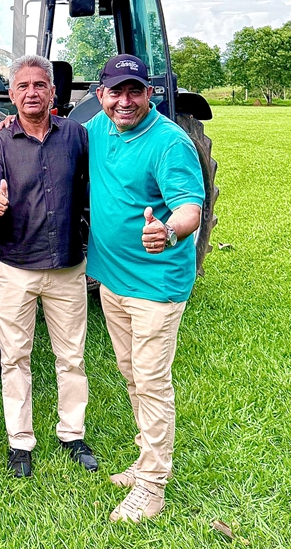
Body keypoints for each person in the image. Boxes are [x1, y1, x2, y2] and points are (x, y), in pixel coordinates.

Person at [87, 54, 204, 522]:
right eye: (116, 91)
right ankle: (144, 460)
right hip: (112, 281)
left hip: (156, 285)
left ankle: (152, 486)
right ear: (101, 96)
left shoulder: (170, 143)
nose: (125, 100)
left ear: (150, 93)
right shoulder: (98, 128)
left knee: (152, 382)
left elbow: (190, 208)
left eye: (135, 90)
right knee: (132, 373)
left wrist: (170, 232)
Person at [0, 55, 96, 478]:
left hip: (67, 265)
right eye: (23, 86)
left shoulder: (78, 136)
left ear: (53, 92)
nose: (31, 93)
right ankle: (20, 442)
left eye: (39, 85)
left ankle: (72, 433)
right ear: (11, 95)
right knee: (15, 358)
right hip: (16, 266)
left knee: (71, 356)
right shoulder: (0, 142)